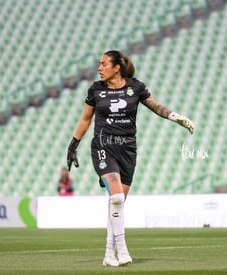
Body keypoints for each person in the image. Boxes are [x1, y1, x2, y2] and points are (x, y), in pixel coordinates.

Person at [67, 50, 194, 267]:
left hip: (127, 149)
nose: (99, 68)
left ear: (117, 67)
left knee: (117, 202)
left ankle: (109, 254)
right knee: (116, 198)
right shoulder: (96, 90)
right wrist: (73, 144)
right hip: (104, 146)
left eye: (103, 64)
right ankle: (122, 250)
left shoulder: (135, 87)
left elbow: (155, 106)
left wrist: (175, 117)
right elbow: (86, 118)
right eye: (99, 64)